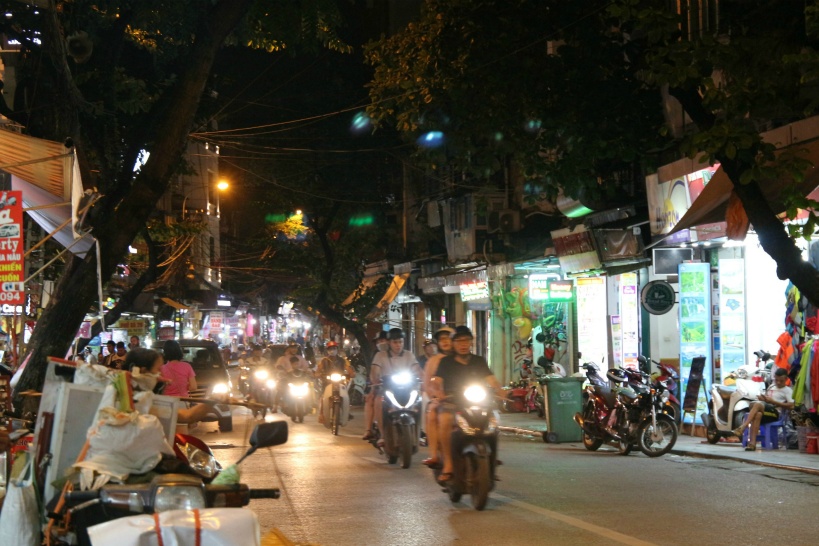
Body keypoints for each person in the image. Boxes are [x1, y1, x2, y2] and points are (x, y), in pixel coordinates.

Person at [432, 325, 504, 484]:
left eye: (467, 340)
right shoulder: (445, 362)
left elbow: (491, 380)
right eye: (459, 341)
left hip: (477, 402)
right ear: (453, 343)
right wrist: (439, 393)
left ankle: (491, 463)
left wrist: (501, 391)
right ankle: (449, 464)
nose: (463, 344)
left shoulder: (479, 361)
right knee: (444, 420)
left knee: (494, 422)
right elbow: (436, 382)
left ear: (472, 342)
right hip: (453, 402)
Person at [126, 347, 223, 425]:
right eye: (158, 369)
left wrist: (212, 400)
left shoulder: (117, 391)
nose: (160, 374)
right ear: (143, 371)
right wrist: (212, 400)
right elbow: (187, 416)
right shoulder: (143, 400)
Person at [370, 328, 422, 446]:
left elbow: (417, 369)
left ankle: (419, 434)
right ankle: (383, 435)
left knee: (420, 400)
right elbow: (375, 371)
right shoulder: (380, 355)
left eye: (400, 342)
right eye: (395, 342)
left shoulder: (409, 354)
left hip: (407, 388)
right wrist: (375, 379)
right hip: (387, 389)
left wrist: (423, 377)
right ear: (389, 343)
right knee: (378, 401)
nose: (398, 345)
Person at [733, 367, 794, 451]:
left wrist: (774, 402)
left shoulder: (788, 390)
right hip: (765, 410)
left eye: (781, 381)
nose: (778, 382)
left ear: (786, 379)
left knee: (757, 405)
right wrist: (763, 398)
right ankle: (752, 444)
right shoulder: (771, 387)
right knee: (758, 414)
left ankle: (744, 426)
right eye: (777, 380)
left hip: (775, 413)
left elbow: (791, 406)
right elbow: (767, 400)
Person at [421, 326, 454, 467]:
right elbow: (428, 384)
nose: (445, 341)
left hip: (463, 398)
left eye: (448, 338)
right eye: (442, 339)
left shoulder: (462, 357)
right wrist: (435, 396)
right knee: (433, 414)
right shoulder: (434, 361)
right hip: (442, 400)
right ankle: (434, 454)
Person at [316, 341, 355, 423]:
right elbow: (318, 370)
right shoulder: (323, 361)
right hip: (327, 382)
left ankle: (347, 413)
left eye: (334, 348)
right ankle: (321, 414)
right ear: (327, 350)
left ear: (337, 349)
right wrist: (318, 374)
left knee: (346, 396)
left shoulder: (343, 360)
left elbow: (348, 368)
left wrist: (351, 373)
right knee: (323, 397)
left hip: (340, 382)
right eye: (330, 349)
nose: (332, 350)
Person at [361, 331, 389, 440]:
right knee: (371, 399)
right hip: (380, 385)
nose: (382, 343)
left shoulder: (402, 354)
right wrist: (374, 383)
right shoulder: (376, 355)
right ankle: (369, 430)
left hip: (398, 386)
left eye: (384, 340)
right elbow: (373, 372)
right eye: (379, 341)